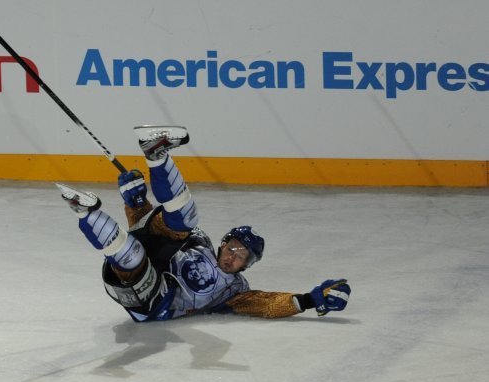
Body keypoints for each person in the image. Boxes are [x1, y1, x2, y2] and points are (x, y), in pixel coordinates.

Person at [56, 125, 351, 323]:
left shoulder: (234, 290)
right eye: (233, 246)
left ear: (246, 266)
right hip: (157, 258)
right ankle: (156, 155)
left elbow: (265, 303)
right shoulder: (201, 242)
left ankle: (88, 215)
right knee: (184, 222)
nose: (234, 255)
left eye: (242, 256)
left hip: (153, 301)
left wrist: (310, 300)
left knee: (132, 256)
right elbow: (147, 231)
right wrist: (135, 203)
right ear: (224, 242)